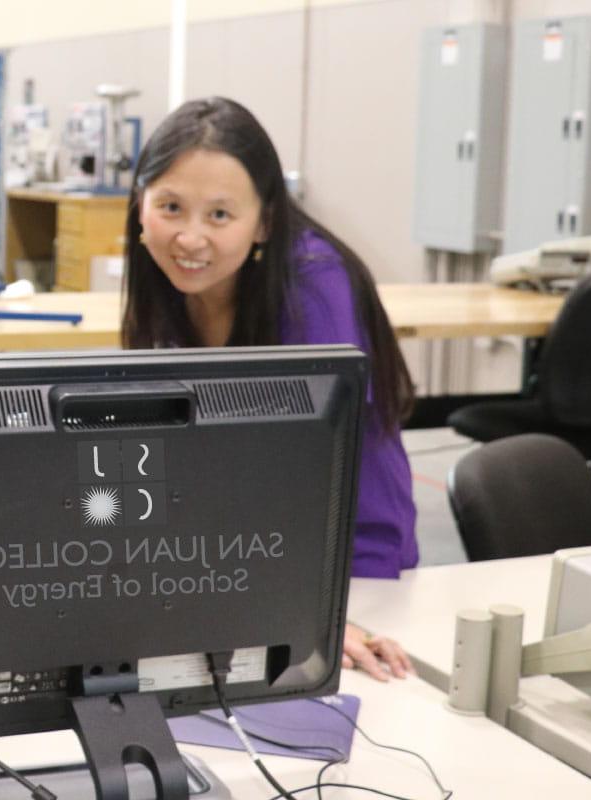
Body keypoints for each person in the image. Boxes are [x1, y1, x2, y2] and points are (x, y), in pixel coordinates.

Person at [123, 97, 417, 680]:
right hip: (244, 562)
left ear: (265, 222)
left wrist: (326, 612)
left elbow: (314, 468)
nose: (189, 238)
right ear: (140, 207)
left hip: (349, 562)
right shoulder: (167, 290)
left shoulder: (312, 288)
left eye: (220, 215)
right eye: (171, 207)